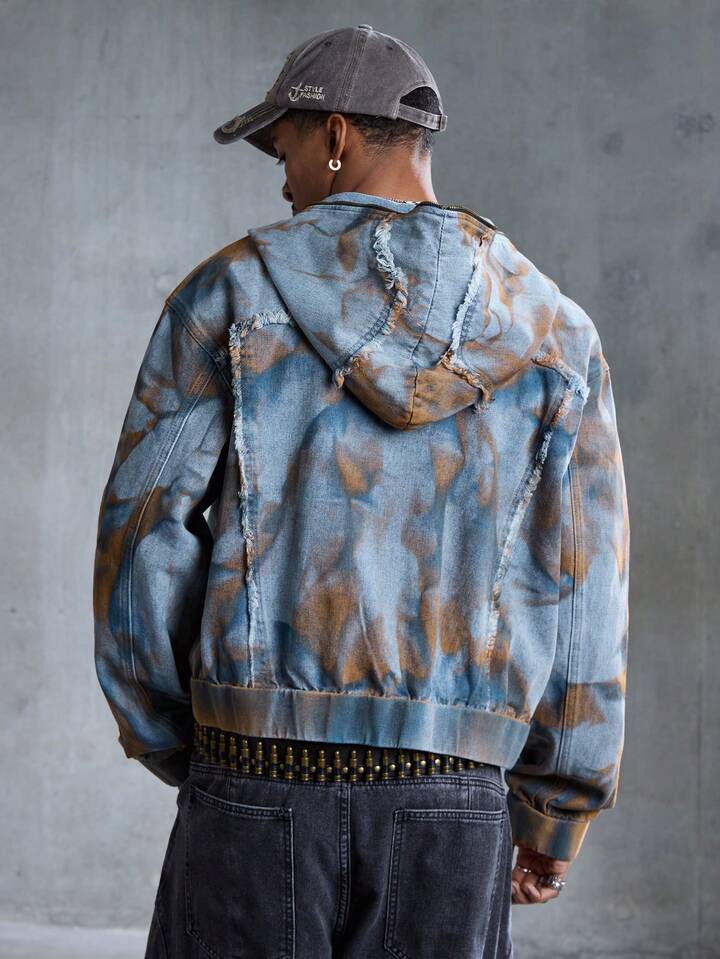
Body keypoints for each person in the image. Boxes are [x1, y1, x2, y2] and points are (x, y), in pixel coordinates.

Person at [92, 23, 630, 959]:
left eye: (285, 149)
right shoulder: (555, 332)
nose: (283, 179)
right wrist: (557, 802)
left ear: (336, 133)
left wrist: (186, 737)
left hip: (253, 773)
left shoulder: (229, 295)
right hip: (455, 798)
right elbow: (587, 583)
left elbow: (142, 534)